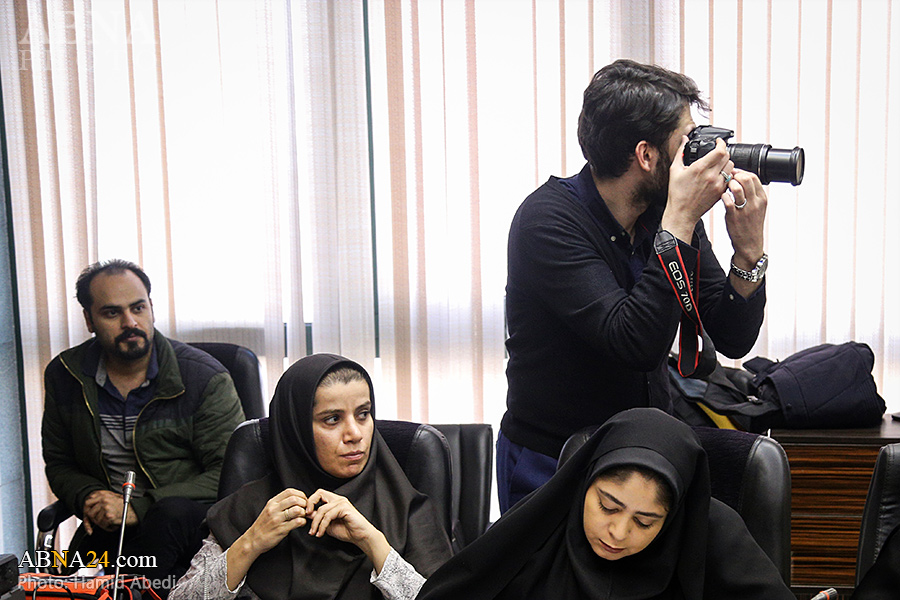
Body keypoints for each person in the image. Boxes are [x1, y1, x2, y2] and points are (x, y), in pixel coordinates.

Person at [499, 59, 769, 512]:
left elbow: (732, 336)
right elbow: (633, 342)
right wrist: (679, 220)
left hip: (641, 454)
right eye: (687, 142)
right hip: (553, 462)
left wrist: (748, 255)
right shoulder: (547, 221)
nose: (699, 156)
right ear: (646, 156)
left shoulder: (663, 215)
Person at [417, 407, 794, 599]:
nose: (618, 532)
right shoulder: (538, 534)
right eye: (608, 507)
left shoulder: (713, 535)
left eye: (645, 522)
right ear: (585, 484)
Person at [169, 353, 452, 600]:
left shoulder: (406, 510)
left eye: (363, 414)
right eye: (333, 419)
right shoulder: (255, 508)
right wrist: (251, 542)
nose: (355, 434)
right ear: (297, 430)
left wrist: (373, 542)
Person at [41, 259, 246, 592]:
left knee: (168, 515)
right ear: (89, 320)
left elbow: (231, 473)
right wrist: (88, 496)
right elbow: (60, 463)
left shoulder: (204, 377)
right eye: (112, 313)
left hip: (190, 526)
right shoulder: (65, 376)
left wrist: (138, 506)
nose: (130, 323)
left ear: (151, 307)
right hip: (112, 529)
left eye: (138, 308)